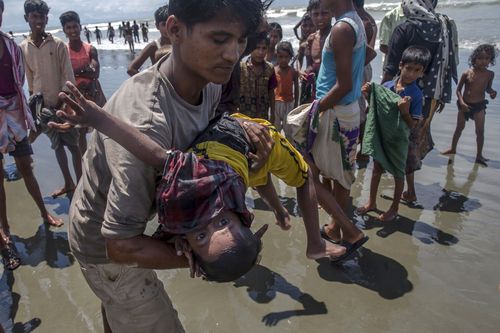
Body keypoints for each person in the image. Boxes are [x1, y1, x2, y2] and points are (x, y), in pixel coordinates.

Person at [49, 0, 274, 331]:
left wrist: (241, 131)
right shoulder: (146, 122)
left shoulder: (209, 80)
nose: (232, 54)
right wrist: (206, 261)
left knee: (117, 308)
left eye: (241, 40)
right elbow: (120, 245)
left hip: (128, 215)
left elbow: (204, 133)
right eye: (219, 39)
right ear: (174, 30)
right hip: (105, 245)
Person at [54, 81, 348, 266]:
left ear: (186, 244)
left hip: (230, 159)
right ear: (242, 216)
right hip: (244, 135)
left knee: (258, 174)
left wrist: (96, 119)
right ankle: (314, 241)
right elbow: (155, 155)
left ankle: (280, 211)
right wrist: (97, 118)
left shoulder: (181, 203)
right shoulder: (203, 183)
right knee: (299, 174)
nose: (208, 220)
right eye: (222, 221)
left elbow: (154, 156)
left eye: (202, 234)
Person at [300, 0, 373, 247]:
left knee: (314, 170)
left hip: (336, 111)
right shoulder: (357, 21)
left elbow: (343, 86)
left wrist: (315, 108)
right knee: (336, 171)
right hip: (345, 109)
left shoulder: (342, 28)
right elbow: (364, 58)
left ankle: (341, 228)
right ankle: (336, 229)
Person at [0, 0, 62, 270]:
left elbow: (18, 82)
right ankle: (4, 234)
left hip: (14, 113)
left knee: (27, 167)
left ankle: (43, 212)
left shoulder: (11, 45)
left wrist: (27, 115)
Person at [358, 46, 431, 221]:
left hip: (399, 140)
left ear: (422, 73)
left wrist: (405, 111)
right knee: (376, 169)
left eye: (417, 71)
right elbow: (377, 108)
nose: (411, 74)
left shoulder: (416, 95)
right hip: (383, 136)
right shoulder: (387, 86)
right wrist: (368, 95)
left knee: (399, 173)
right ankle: (371, 202)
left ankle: (394, 208)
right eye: (409, 68)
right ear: (400, 65)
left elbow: (413, 124)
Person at [382, 0, 458, 164]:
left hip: (401, 92)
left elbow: (391, 67)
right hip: (429, 95)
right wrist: (441, 96)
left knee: (395, 134)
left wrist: (380, 94)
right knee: (416, 135)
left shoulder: (404, 29)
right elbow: (445, 66)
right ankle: (408, 180)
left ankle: (398, 175)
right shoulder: (443, 27)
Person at [20, 0, 82, 199]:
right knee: (57, 146)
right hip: (43, 109)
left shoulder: (57, 45)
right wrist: (35, 107)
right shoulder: (24, 47)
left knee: (73, 145)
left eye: (42, 17)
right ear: (26, 18)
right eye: (34, 16)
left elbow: (68, 76)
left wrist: (63, 102)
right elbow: (30, 82)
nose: (38, 21)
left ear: (47, 19)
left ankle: (81, 184)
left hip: (64, 105)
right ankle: (68, 182)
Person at [60, 10, 106, 153]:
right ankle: (85, 160)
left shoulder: (90, 49)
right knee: (80, 131)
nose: (73, 30)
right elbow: (62, 74)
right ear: (64, 30)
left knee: (102, 126)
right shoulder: (63, 51)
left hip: (93, 92)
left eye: (75, 26)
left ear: (80, 27)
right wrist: (84, 70)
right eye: (69, 27)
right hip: (75, 94)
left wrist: (75, 72)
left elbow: (95, 73)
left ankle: (104, 155)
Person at [442, 44, 497, 166]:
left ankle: (479, 155)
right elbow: (458, 90)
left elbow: (488, 88)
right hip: (464, 105)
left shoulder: (490, 74)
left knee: (480, 131)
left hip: (479, 106)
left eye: (487, 58)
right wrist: (461, 102)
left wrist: (492, 92)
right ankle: (453, 148)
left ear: (491, 60)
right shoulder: (467, 73)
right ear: (474, 59)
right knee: (459, 128)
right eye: (480, 58)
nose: (483, 61)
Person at [300, 0, 333, 104]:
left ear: (332, 12)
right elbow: (308, 64)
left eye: (324, 13)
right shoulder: (311, 39)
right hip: (315, 89)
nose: (320, 18)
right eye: (316, 14)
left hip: (333, 90)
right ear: (310, 14)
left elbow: (369, 54)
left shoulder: (337, 34)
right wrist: (300, 72)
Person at [239, 37, 277, 121]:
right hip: (244, 116)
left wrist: (273, 113)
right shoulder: (241, 67)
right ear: (250, 48)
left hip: (262, 116)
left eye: (264, 48)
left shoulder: (269, 68)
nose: (260, 52)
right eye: (257, 48)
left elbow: (271, 92)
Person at [127, 5, 171, 76]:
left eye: (170, 23)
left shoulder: (181, 42)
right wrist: (148, 82)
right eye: (164, 24)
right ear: (157, 26)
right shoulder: (154, 46)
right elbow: (131, 69)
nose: (168, 27)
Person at [273, 41, 298, 132]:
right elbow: (270, 89)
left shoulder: (293, 71)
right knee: (276, 129)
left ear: (290, 57)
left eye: (286, 57)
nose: (283, 59)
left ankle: (288, 145)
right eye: (281, 57)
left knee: (289, 129)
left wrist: (296, 104)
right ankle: (277, 145)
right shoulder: (273, 70)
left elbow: (297, 89)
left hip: (289, 103)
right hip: (276, 103)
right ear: (277, 56)